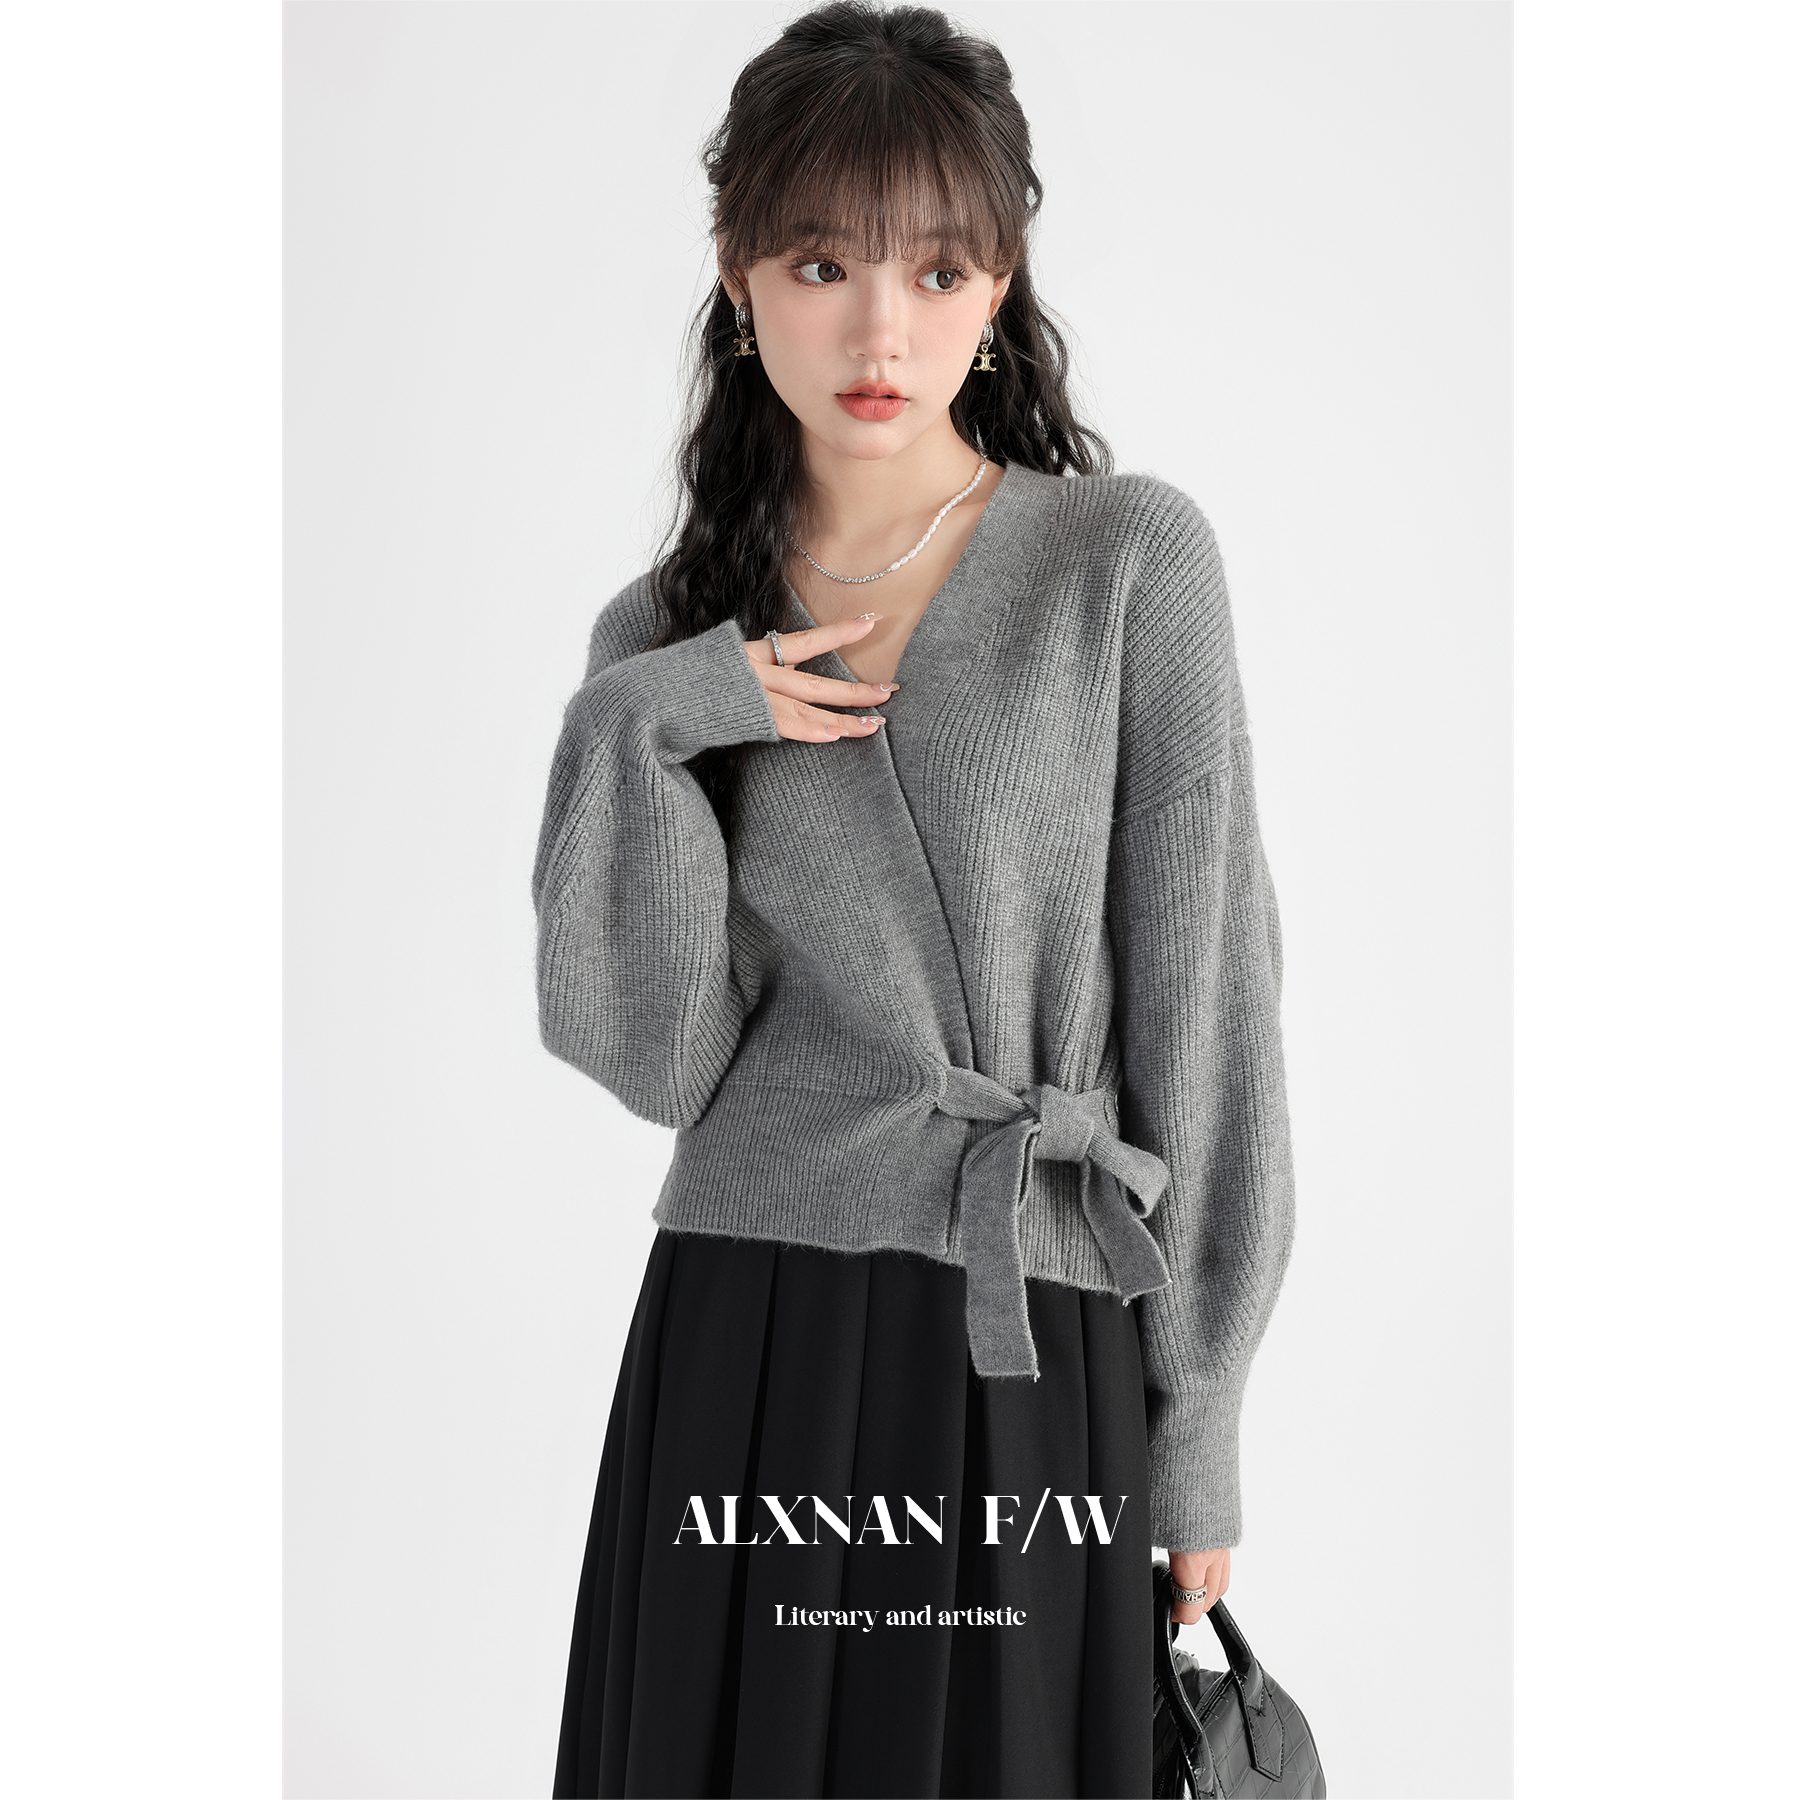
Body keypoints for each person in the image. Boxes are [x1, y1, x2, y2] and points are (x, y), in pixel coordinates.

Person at [533, 4, 1296, 1794]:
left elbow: (1211, 1008)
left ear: (1001, 283)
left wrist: (1200, 1420)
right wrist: (652, 721)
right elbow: (652, 1056)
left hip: (1033, 1315)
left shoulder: (1127, 561)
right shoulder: (663, 638)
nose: (883, 332)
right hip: (752, 1326)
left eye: (939, 271)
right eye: (823, 265)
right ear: (740, 276)